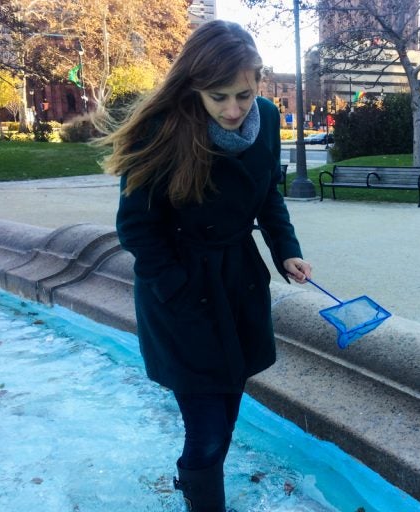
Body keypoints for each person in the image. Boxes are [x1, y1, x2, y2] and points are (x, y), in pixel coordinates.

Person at [96, 20, 312, 512]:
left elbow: (267, 196)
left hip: (238, 285)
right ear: (195, 87)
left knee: (227, 407)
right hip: (182, 295)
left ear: (259, 79)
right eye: (218, 98)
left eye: (242, 93)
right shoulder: (163, 129)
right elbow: (137, 229)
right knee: (208, 426)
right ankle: (202, 500)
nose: (233, 109)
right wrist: (177, 288)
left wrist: (286, 250)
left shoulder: (268, 118)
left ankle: (196, 485)